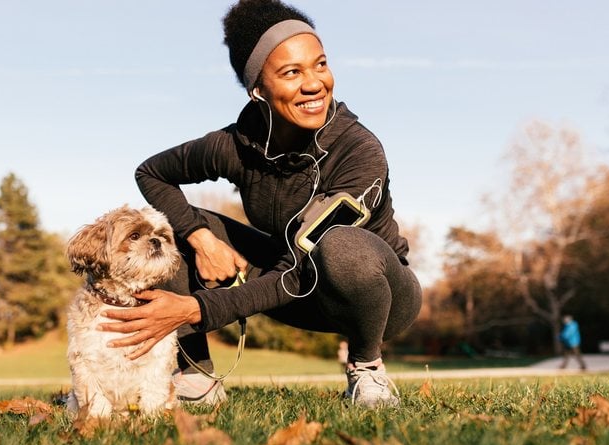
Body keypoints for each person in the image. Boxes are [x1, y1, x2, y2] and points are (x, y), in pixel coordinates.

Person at [98, 0, 423, 408]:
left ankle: (366, 368)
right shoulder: (237, 144)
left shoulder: (359, 151)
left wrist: (196, 308)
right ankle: (196, 378)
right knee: (173, 233)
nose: (314, 84)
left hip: (378, 299)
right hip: (292, 289)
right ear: (258, 90)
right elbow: (152, 173)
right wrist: (201, 238)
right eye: (291, 72)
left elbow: (301, 266)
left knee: (341, 246)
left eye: (320, 65)